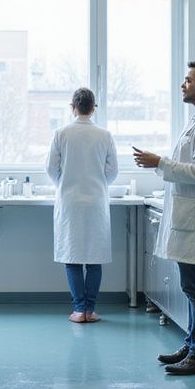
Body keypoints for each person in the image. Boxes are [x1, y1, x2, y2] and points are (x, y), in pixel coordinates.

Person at [133, 61, 195, 376]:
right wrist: (162, 163)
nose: (183, 85)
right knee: (191, 288)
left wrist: (160, 161)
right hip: (190, 218)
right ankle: (192, 344)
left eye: (188, 80)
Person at [46, 88, 119, 323]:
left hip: (70, 202)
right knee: (94, 258)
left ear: (73, 107)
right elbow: (112, 171)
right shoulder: (105, 135)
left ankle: (78, 310)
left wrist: (65, 184)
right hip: (96, 202)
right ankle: (90, 309)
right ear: (93, 107)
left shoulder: (61, 133)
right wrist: (97, 185)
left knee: (73, 256)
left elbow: (51, 168)